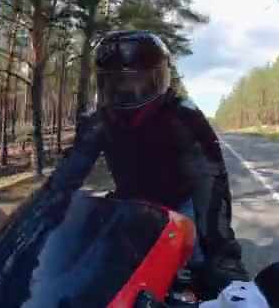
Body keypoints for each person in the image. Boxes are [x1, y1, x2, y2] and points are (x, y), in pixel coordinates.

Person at [41, 30, 249, 299]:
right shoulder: (100, 120)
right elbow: (69, 172)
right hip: (128, 206)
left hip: (180, 206)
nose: (129, 91)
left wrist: (222, 252)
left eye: (139, 82)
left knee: (201, 263)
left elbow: (209, 180)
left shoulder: (183, 116)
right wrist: (42, 218)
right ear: (105, 85)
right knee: (92, 264)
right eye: (118, 83)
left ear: (159, 78)